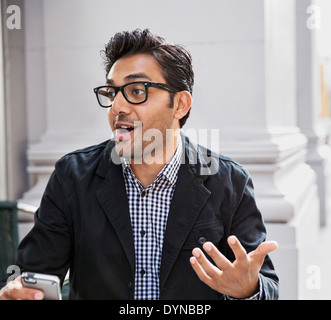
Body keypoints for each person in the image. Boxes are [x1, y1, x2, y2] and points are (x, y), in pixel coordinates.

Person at [0, 29, 278, 300]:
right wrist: (18, 292)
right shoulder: (71, 176)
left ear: (180, 104)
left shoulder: (229, 180)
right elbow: (32, 275)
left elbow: (266, 286)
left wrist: (247, 291)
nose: (117, 106)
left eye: (136, 90)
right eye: (112, 93)